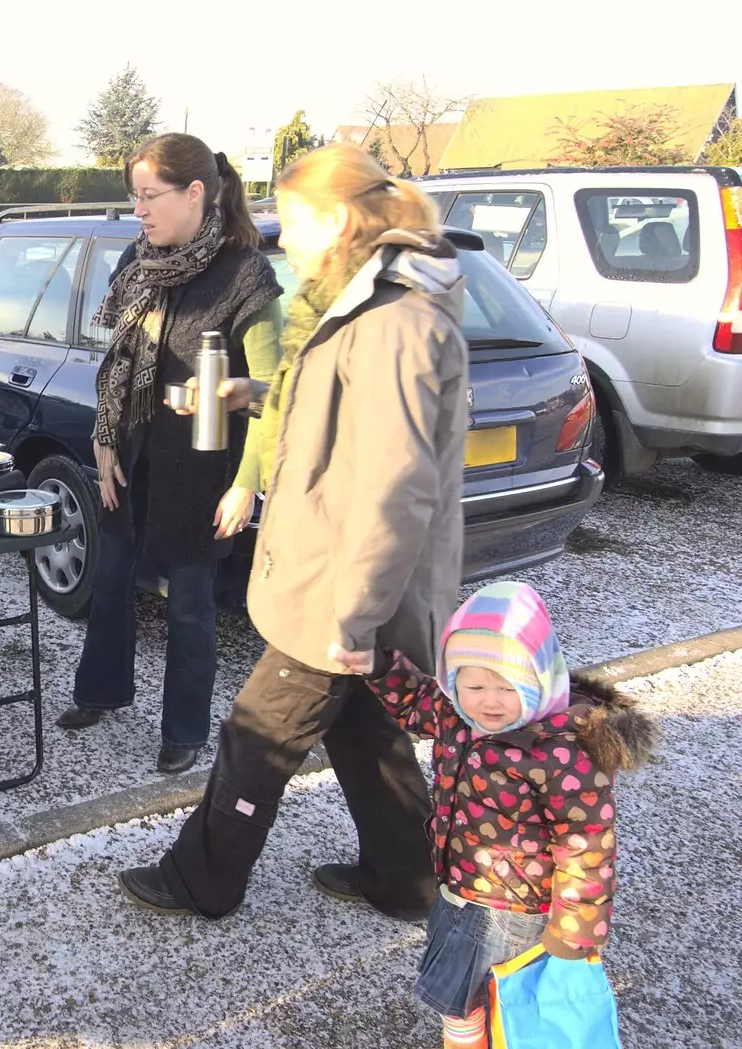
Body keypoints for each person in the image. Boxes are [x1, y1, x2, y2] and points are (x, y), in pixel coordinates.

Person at [118, 142, 469, 920]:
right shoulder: (362, 304)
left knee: (256, 734)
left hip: (345, 580)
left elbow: (397, 485)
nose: (283, 235)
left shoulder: (394, 319)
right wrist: (250, 392)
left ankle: (201, 879)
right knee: (364, 732)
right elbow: (339, 406)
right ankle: (406, 875)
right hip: (348, 572)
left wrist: (356, 610)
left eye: (297, 219)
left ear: (340, 219)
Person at [56, 133, 285, 775]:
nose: (140, 211)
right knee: (110, 578)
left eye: (150, 196)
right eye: (135, 198)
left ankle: (185, 731)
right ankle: (101, 692)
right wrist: (104, 438)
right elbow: (118, 360)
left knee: (189, 604)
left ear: (194, 193)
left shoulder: (245, 275)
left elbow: (276, 395)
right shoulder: (139, 258)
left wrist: (247, 485)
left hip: (204, 466)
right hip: (132, 448)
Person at [358, 581, 651, 1049]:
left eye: (508, 687)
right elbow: (415, 702)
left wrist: (575, 930)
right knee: (468, 1002)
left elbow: (587, 843)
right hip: (459, 889)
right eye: (473, 685)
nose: (489, 701)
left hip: (515, 911)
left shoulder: (561, 752)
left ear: (539, 679)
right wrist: (375, 664)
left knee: (491, 1001)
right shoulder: (458, 714)